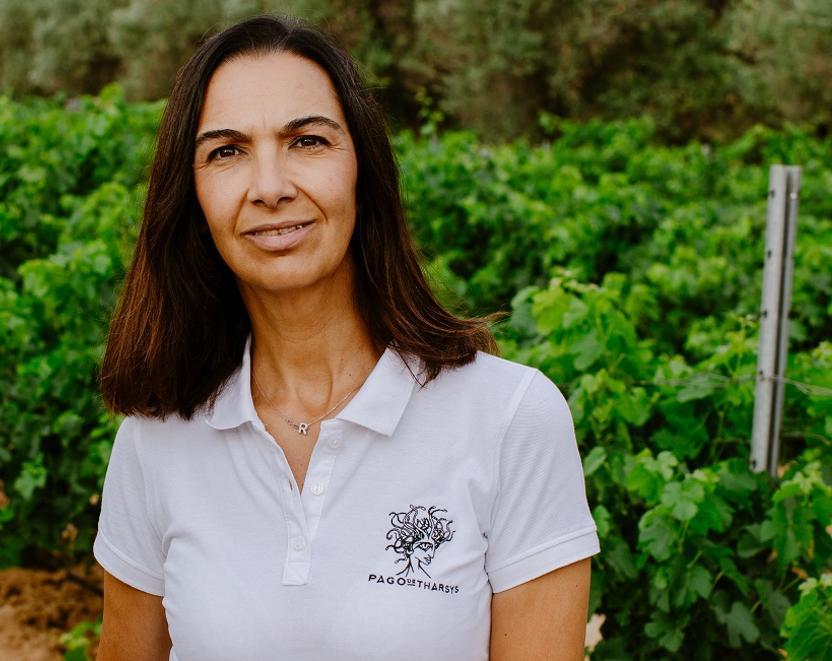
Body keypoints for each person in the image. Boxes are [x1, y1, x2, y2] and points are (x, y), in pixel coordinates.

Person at [94, 14, 599, 661]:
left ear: (363, 166)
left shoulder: (510, 419)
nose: (271, 187)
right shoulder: (156, 439)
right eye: (227, 151)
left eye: (307, 141)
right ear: (190, 194)